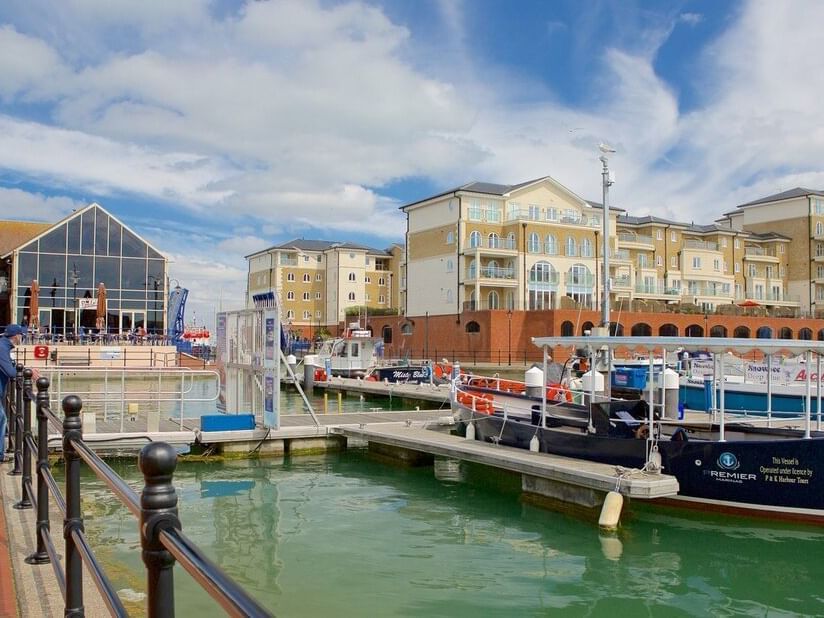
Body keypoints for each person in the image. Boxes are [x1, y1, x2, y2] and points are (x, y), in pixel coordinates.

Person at [1, 324, 27, 463]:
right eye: (21, 335)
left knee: (2, 418)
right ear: (16, 336)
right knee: (1, 419)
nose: (22, 337)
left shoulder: (4, 346)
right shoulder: (2, 348)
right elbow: (11, 372)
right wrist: (27, 373)